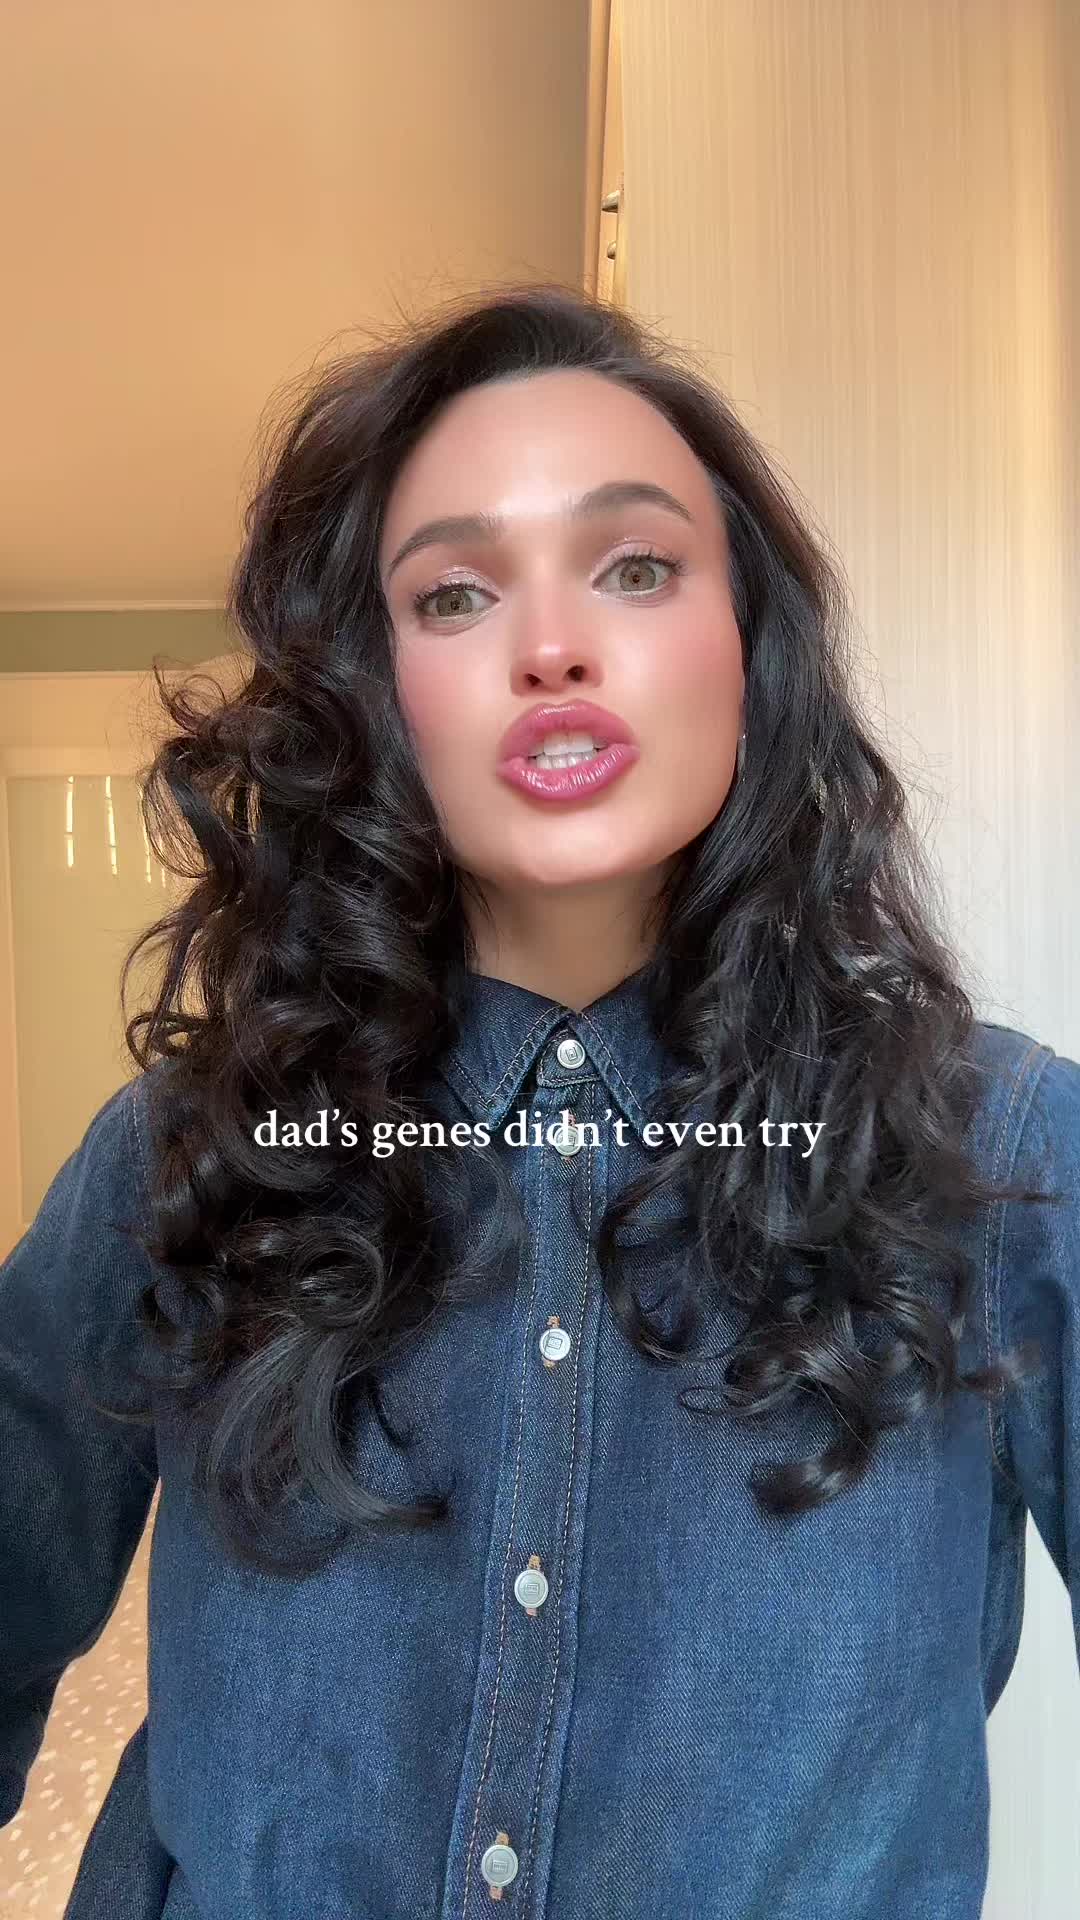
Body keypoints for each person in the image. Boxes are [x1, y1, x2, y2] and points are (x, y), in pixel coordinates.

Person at [1, 280, 1078, 1920]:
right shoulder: (183, 1157)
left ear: (751, 646)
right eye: (453, 595)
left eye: (634, 567)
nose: (552, 645)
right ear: (374, 689)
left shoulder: (1001, 1156)